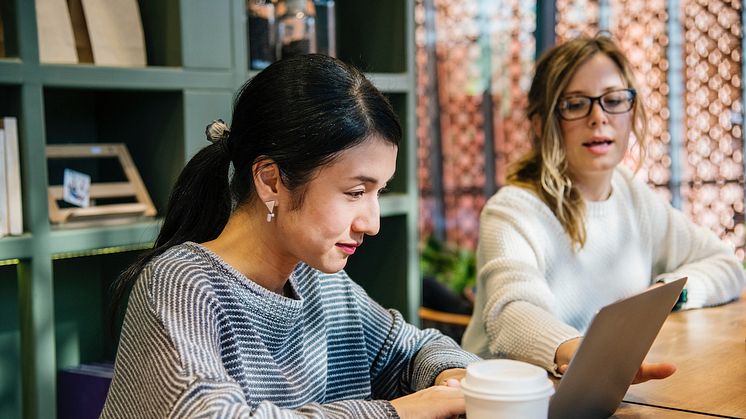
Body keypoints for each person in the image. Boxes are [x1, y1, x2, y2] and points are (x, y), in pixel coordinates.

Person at [102, 54, 480, 419]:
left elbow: (415, 349)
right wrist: (397, 412)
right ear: (271, 181)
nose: (372, 223)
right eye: (355, 193)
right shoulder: (181, 284)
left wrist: (451, 376)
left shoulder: (319, 283)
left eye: (378, 192)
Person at [461, 35, 746, 381]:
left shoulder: (632, 195)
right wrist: (588, 354)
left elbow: (727, 266)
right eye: (576, 104)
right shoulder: (512, 210)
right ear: (541, 123)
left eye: (613, 100)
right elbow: (512, 313)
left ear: (631, 112)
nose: (599, 117)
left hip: (602, 390)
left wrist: (668, 293)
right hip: (513, 403)